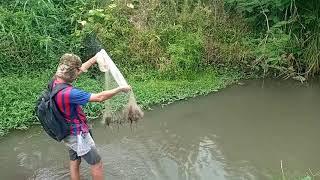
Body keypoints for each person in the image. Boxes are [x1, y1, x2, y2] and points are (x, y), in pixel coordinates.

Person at [53, 53, 131, 180]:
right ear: (73, 72)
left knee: (75, 160)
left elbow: (79, 69)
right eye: (77, 71)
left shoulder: (56, 82)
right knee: (97, 163)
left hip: (66, 131)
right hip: (77, 134)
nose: (79, 72)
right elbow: (100, 97)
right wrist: (120, 89)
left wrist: (95, 59)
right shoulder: (69, 93)